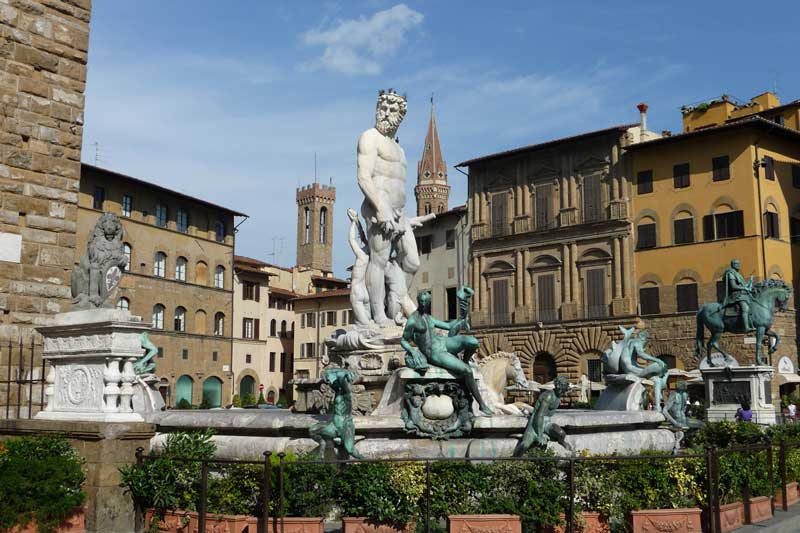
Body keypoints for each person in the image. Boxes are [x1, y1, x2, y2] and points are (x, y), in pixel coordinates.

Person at [357, 90, 420, 324]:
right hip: (378, 208)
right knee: (379, 260)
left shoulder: (400, 150)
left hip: (400, 214)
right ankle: (379, 314)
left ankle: (396, 300)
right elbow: (364, 176)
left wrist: (406, 217)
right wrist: (380, 207)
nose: (385, 113)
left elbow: (399, 185)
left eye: (391, 110)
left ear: (400, 116)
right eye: (382, 108)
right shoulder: (369, 137)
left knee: (412, 261)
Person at [722, 259, 755, 332]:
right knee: (745, 307)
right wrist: (745, 288)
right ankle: (746, 327)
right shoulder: (731, 273)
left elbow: (745, 286)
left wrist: (750, 281)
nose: (739, 265)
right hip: (735, 295)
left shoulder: (738, 274)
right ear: (733, 265)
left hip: (743, 294)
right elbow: (733, 286)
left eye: (739, 264)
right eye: (737, 264)